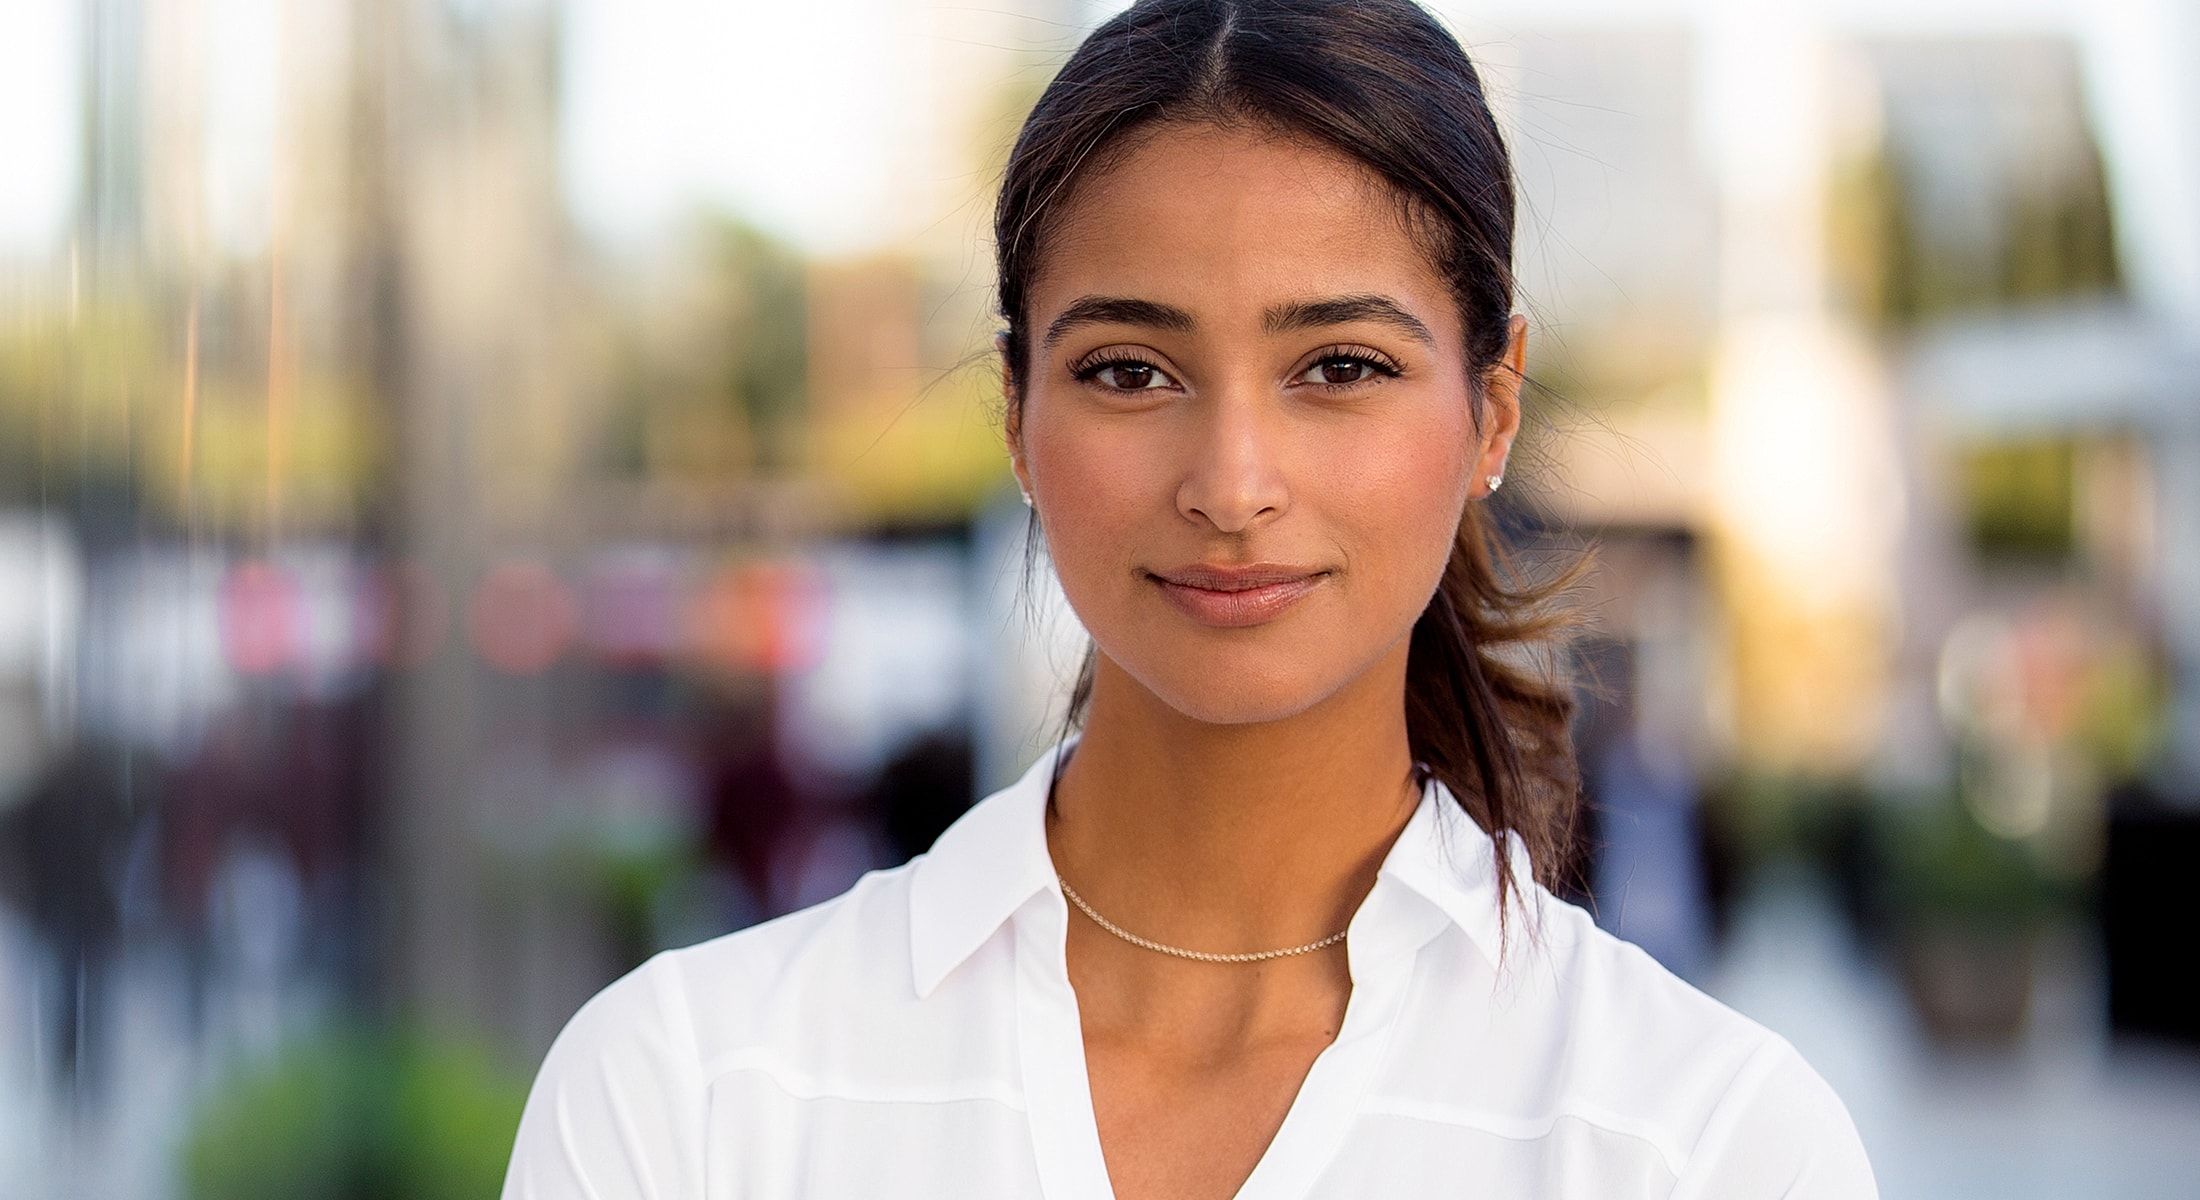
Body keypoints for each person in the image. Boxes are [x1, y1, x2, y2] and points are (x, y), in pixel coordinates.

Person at [501, 1, 1878, 1196]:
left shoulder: (1703, 1146)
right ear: (1017, 414)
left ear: (1494, 410)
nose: (1232, 483)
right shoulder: (690, 1099)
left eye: (1339, 367)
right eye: (1128, 371)